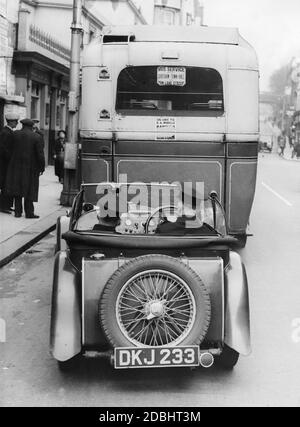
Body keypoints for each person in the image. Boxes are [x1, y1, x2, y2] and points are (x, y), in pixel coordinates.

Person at [6, 118, 45, 218]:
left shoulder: (15, 134)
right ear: (32, 126)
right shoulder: (37, 137)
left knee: (17, 188)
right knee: (30, 189)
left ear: (22, 125)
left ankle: (18, 212)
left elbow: (9, 149)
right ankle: (29, 213)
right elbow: (40, 154)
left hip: (16, 166)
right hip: (31, 167)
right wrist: (42, 167)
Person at [0, 113, 19, 214]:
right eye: (15, 121)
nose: (16, 123)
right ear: (11, 122)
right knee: (5, 185)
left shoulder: (7, 131)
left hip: (6, 164)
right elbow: (3, 149)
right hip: (5, 165)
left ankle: (6, 205)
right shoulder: (6, 133)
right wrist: (11, 159)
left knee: (6, 185)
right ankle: (4, 206)